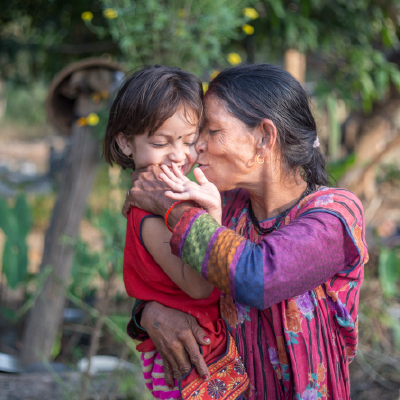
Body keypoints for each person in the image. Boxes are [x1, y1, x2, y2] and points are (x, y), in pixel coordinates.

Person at [122, 63, 368, 400]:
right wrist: (148, 313)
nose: (198, 148)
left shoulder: (334, 215)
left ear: (264, 138)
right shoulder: (226, 206)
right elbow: (168, 274)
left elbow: (258, 276)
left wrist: (167, 205)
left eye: (211, 132)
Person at [103, 66, 250, 400]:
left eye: (189, 139)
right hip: (191, 355)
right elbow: (197, 285)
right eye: (160, 142)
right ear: (126, 142)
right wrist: (212, 215)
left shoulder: (173, 193)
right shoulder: (152, 212)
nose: (179, 155)